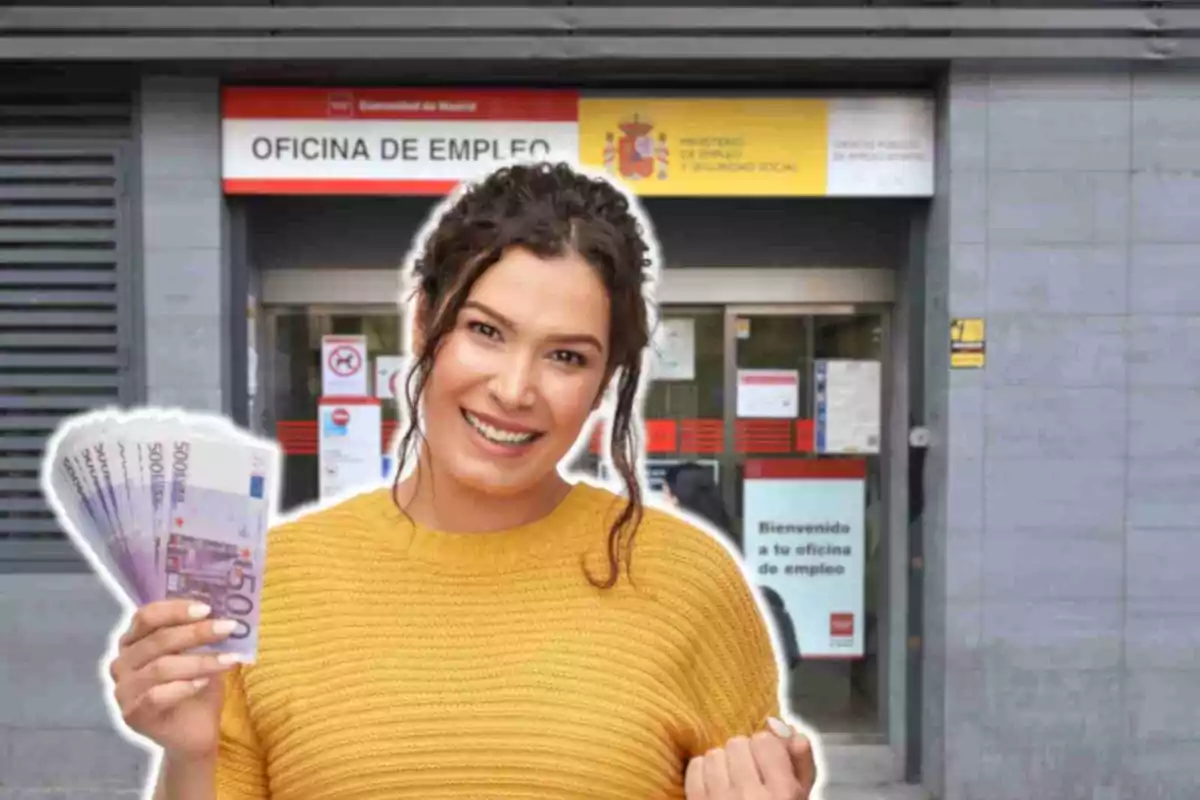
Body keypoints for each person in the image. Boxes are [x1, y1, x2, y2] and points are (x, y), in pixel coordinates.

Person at [106, 162, 819, 799]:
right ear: (424, 325)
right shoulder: (277, 582)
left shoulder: (688, 582)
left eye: (567, 357)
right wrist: (190, 756)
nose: (514, 389)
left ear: (604, 383)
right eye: (485, 331)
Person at [661, 463, 802, 671]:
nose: (663, 500)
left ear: (676, 497)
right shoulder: (726, 534)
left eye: (665, 492)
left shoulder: (680, 541)